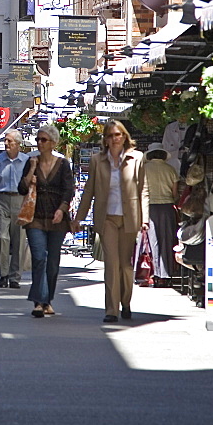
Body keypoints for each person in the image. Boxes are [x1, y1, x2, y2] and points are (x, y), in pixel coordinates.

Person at [75, 120, 149, 323]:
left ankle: (125, 301)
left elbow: (143, 189)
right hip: (106, 217)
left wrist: (145, 218)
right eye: (110, 136)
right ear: (105, 139)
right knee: (111, 263)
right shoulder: (97, 160)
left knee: (125, 265)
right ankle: (111, 309)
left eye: (118, 135)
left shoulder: (137, 158)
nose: (114, 139)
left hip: (129, 217)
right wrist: (79, 218)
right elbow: (89, 190)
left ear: (124, 136)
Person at [18, 124, 75, 318]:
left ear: (53, 142)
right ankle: (38, 302)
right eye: (38, 140)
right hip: (35, 216)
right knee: (39, 257)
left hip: (56, 217)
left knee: (52, 262)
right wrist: (32, 169)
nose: (39, 143)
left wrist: (62, 209)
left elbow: (69, 190)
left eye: (43, 140)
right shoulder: (31, 161)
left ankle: (47, 299)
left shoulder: (63, 164)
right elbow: (22, 188)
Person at [0, 129, 28, 289]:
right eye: (5, 141)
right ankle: (4, 274)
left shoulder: (26, 161)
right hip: (1, 200)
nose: (6, 143)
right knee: (2, 238)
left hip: (19, 200)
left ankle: (15, 277)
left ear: (18, 143)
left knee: (19, 240)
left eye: (9, 141)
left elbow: (31, 186)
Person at [145, 142, 179, 285]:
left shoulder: (144, 169)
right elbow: (175, 193)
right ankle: (166, 274)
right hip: (167, 207)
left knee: (153, 241)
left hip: (150, 208)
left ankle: (155, 274)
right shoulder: (170, 169)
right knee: (167, 240)